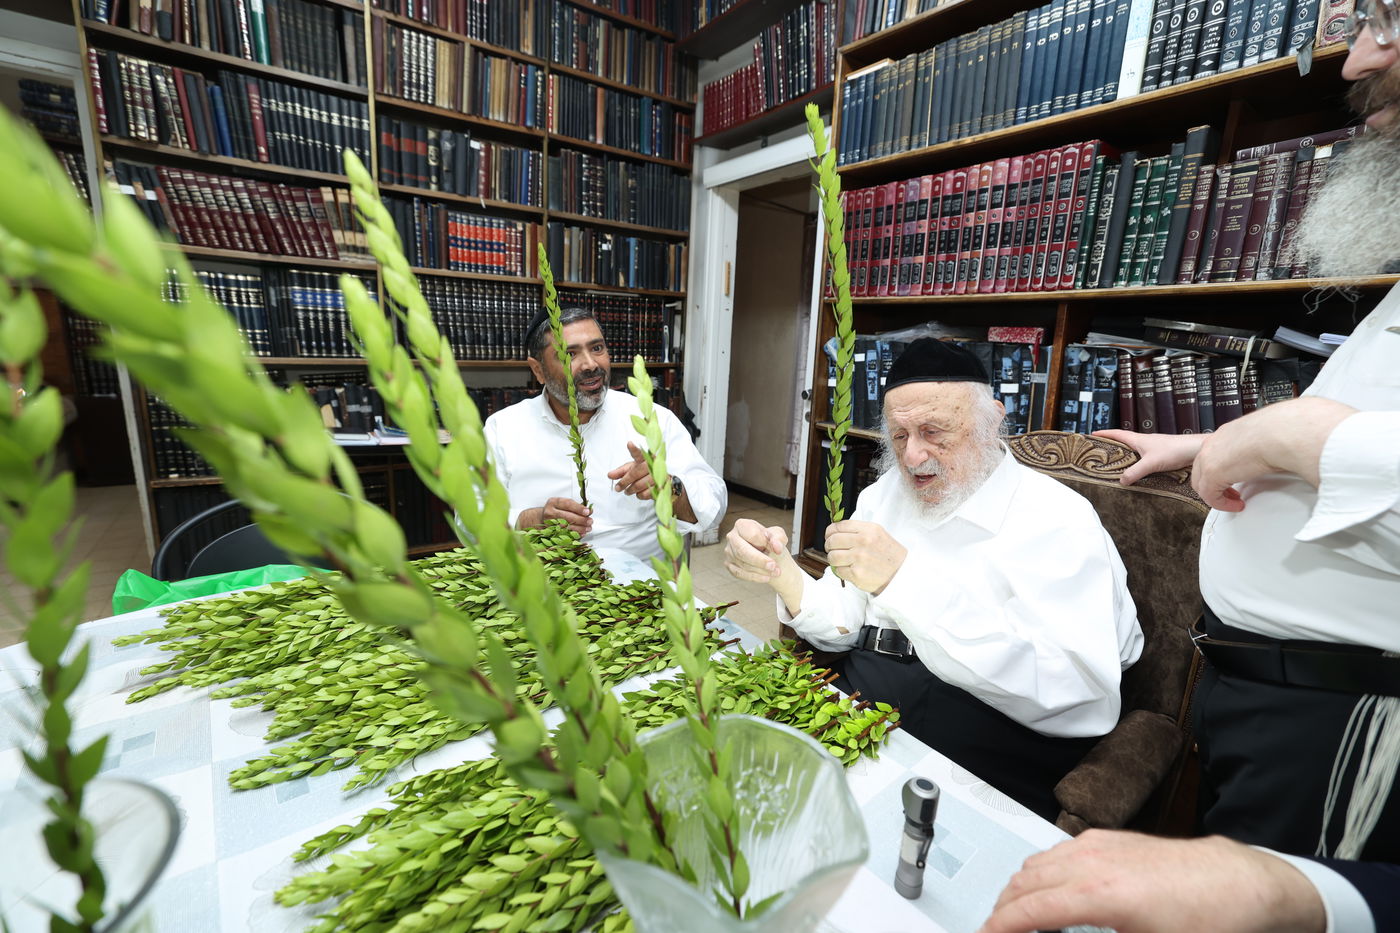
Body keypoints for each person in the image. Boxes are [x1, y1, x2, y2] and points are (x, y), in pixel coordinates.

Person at [980, 9, 1400, 930]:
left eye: (1388, 18)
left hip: (1350, 720)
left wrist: (1292, 435)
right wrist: (1209, 444)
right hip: (1261, 693)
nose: (1357, 59)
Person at [724, 338, 1142, 820]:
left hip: (987, 726)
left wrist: (903, 581)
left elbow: (1080, 696)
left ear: (992, 421)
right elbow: (842, 628)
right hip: (864, 694)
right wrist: (780, 571)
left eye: (933, 431)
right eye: (899, 435)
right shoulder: (884, 495)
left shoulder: (1058, 520)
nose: (912, 456)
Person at [483, 306, 725, 563]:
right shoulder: (503, 428)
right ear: (538, 370)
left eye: (597, 348)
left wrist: (670, 486)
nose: (590, 365)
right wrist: (530, 519)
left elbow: (714, 506)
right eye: (569, 354)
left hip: (639, 582)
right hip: (541, 580)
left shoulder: (652, 420)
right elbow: (470, 518)